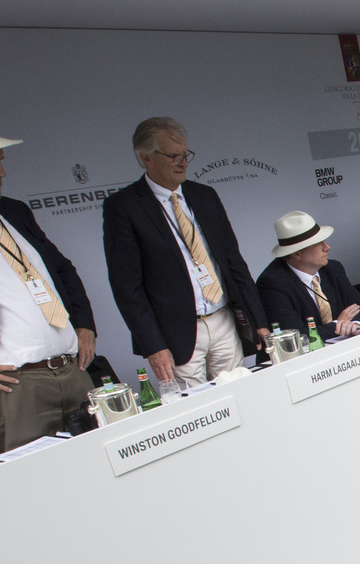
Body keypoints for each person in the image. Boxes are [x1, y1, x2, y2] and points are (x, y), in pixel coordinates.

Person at [104, 117, 269, 386]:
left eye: (185, 155)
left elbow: (233, 261)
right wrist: (153, 345)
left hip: (223, 317)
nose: (183, 163)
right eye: (173, 156)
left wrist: (258, 319)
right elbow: (127, 286)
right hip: (176, 332)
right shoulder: (123, 207)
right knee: (196, 412)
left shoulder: (204, 195)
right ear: (147, 158)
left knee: (241, 393)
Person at [0, 129, 98, 455]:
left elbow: (62, 269)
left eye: (0, 161)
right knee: (33, 492)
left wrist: (84, 324)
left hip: (73, 371)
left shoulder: (14, 211)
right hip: (16, 389)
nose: (1, 172)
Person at [256, 211, 360, 340]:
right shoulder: (272, 283)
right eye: (319, 243)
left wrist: (355, 325)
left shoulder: (333, 268)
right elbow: (298, 337)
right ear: (297, 253)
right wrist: (337, 325)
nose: (327, 247)